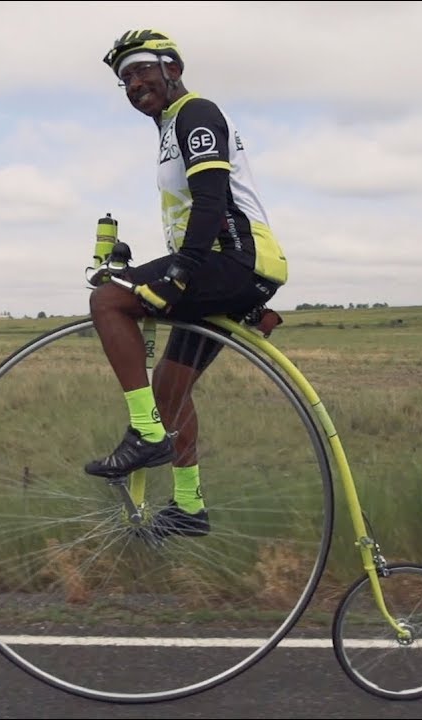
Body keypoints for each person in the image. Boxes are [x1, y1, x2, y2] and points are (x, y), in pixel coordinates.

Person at [84, 29, 289, 538]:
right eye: (125, 78)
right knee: (170, 389)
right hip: (221, 264)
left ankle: (147, 434)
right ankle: (188, 508)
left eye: (142, 70)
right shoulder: (170, 127)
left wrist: (178, 274)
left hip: (234, 261)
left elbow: (212, 201)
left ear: (171, 68)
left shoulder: (196, 114)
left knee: (109, 302)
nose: (134, 83)